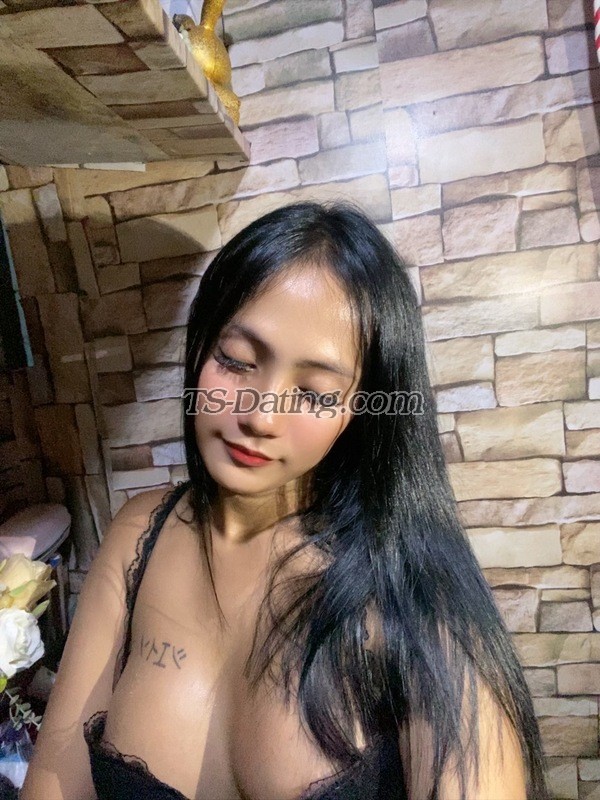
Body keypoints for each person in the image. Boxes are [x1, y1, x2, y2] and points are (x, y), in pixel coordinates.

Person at [21, 201, 549, 800]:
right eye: (236, 361)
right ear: (201, 345)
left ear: (360, 412)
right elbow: (55, 782)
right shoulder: (138, 534)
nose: (260, 416)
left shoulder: (414, 597)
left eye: (316, 394)